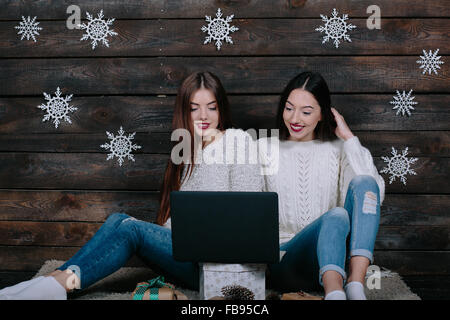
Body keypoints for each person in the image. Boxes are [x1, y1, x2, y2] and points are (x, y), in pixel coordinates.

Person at [0, 71, 262, 300]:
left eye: (212, 107)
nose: (203, 115)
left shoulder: (236, 142)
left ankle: (54, 285)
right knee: (119, 221)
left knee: (130, 229)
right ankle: (53, 282)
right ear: (184, 111)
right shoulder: (189, 153)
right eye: (194, 108)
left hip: (219, 265)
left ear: (222, 109)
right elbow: (178, 222)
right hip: (189, 252)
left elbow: (250, 216)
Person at [262, 71, 386, 300]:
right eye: (289, 108)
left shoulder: (339, 149)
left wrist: (349, 139)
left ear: (322, 115)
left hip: (335, 257)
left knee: (364, 183)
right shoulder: (264, 148)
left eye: (306, 112)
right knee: (336, 215)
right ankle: (334, 293)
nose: (295, 119)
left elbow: (373, 193)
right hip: (286, 260)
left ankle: (355, 286)